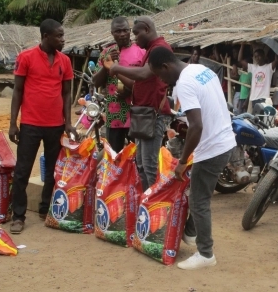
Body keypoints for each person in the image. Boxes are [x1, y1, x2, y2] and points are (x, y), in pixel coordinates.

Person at [148, 46, 236, 270]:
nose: (161, 80)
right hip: (224, 139)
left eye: (159, 75)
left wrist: (183, 160)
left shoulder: (184, 84)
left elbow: (196, 126)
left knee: (199, 201)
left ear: (166, 67)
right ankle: (190, 232)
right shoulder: (200, 68)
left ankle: (206, 254)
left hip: (212, 147)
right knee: (199, 193)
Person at [8, 19, 77, 234]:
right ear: (46, 36)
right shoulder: (26, 57)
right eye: (58, 35)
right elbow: (17, 91)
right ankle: (18, 215)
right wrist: (12, 123)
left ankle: (45, 208)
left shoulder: (65, 61)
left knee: (53, 171)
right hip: (30, 124)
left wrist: (68, 122)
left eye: (63, 35)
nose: (62, 39)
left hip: (55, 126)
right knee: (22, 171)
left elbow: (67, 94)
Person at [104, 16, 172, 191]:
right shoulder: (150, 50)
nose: (134, 38)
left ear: (147, 30)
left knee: (149, 165)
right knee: (141, 163)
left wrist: (117, 68)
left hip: (153, 113)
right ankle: (145, 204)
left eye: (136, 33)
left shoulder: (159, 49)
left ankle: (153, 207)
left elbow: (143, 74)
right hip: (143, 113)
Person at [92, 17, 145, 153]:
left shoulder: (141, 51)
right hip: (114, 114)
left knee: (137, 155)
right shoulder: (106, 53)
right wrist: (106, 66)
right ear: (112, 33)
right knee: (114, 155)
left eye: (125, 30)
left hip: (137, 112)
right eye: (118, 31)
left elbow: (146, 80)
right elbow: (96, 82)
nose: (122, 34)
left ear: (130, 31)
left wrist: (129, 90)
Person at [238, 43, 278, 108]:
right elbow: (240, 60)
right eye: (255, 56)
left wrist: (275, 45)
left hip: (264, 98)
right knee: (256, 117)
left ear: (264, 56)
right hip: (254, 98)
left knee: (262, 117)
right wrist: (242, 45)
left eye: (259, 56)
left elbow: (276, 60)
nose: (257, 58)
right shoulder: (253, 67)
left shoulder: (269, 67)